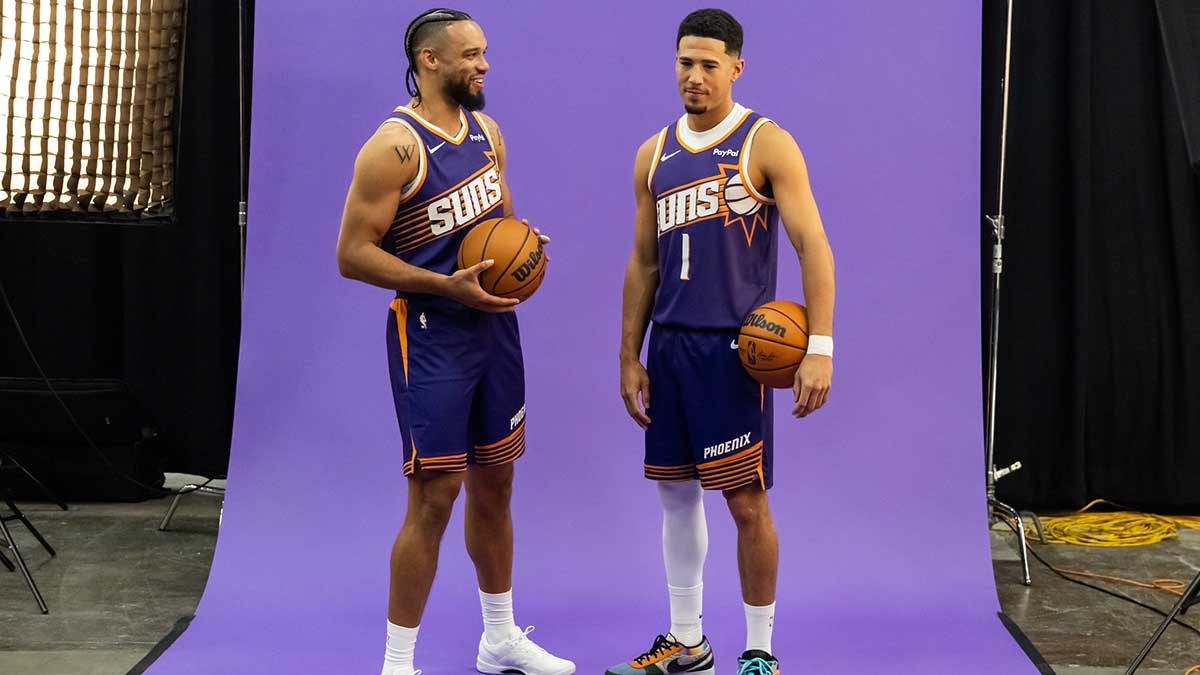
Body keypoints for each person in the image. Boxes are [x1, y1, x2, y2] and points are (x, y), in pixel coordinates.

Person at [335, 9, 574, 675]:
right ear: (430, 60)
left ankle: (498, 638)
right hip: (432, 334)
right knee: (435, 495)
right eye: (469, 54)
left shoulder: (488, 132)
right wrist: (445, 285)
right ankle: (398, 662)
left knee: (496, 482)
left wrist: (522, 251)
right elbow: (352, 254)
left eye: (485, 52)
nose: (484, 64)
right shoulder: (393, 148)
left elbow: (494, 226)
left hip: (494, 326)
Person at [610, 9, 836, 675]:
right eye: (685, 62)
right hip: (671, 347)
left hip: (735, 352)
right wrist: (629, 353)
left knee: (744, 501)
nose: (695, 76)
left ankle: (759, 649)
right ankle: (688, 640)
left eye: (710, 64)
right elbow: (642, 262)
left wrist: (820, 344)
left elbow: (812, 244)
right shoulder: (653, 152)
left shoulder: (765, 142)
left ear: (737, 67)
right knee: (676, 494)